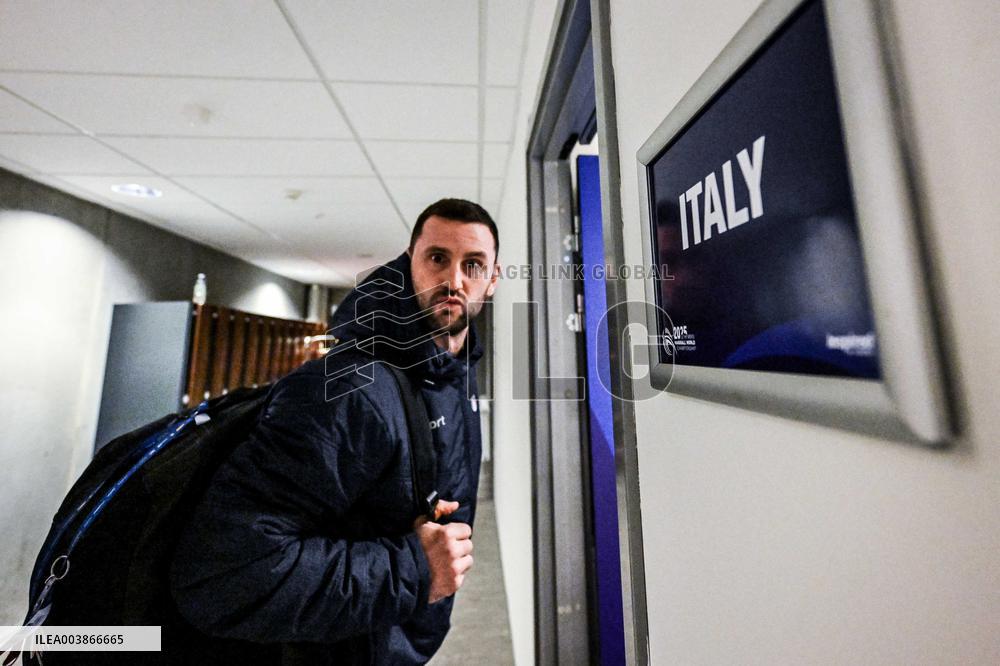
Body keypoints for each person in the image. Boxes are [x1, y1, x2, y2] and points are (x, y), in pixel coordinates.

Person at [168, 199, 500, 665]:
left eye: (473, 265)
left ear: (494, 278)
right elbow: (221, 574)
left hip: (385, 639)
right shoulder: (349, 390)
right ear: (410, 264)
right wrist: (411, 570)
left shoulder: (455, 371)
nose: (454, 280)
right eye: (437, 258)